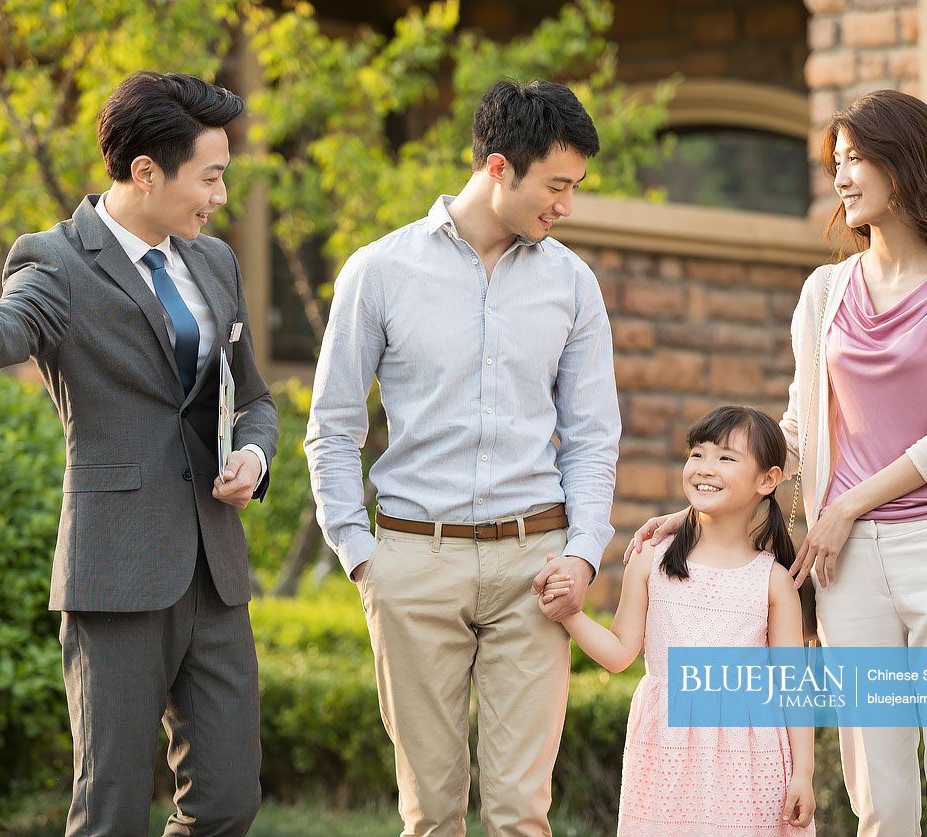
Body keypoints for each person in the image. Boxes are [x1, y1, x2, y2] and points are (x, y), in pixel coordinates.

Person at [629, 89, 927, 836]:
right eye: (836, 161)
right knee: (876, 802)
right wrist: (706, 509)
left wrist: (847, 504)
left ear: (905, 164)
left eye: (857, 159)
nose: (841, 177)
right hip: (844, 565)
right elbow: (798, 431)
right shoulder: (824, 292)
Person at [0, 71, 278, 836]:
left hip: (214, 570)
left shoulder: (214, 264)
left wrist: (254, 458)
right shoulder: (57, 260)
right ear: (147, 171)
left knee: (229, 799)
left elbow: (257, 399)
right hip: (115, 572)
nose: (221, 196)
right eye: (210, 177)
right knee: (108, 809)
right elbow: (8, 330)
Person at [304, 79, 620, 836]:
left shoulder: (571, 283)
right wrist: (359, 556)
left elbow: (590, 436)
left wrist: (581, 555)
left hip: (535, 569)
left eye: (574, 189)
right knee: (431, 814)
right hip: (414, 562)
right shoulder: (378, 272)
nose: (566, 206)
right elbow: (333, 426)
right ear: (500, 168)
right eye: (556, 185)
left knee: (520, 814)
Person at [542, 406, 815, 836]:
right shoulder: (652, 561)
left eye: (726, 458)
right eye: (697, 454)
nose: (706, 468)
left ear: (767, 480)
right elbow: (619, 653)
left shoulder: (773, 581)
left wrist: (804, 773)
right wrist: (571, 615)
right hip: (667, 755)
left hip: (752, 761)